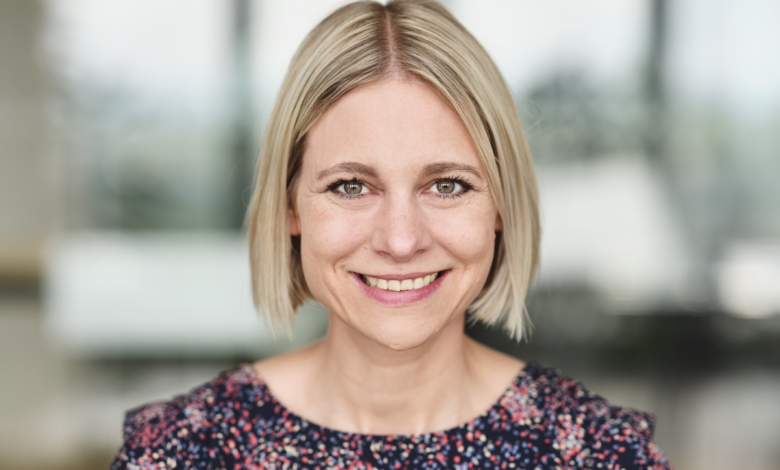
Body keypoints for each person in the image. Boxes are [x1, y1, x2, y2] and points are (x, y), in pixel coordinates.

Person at [111, 1, 672, 468]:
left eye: (447, 186)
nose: (401, 241)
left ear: (500, 205)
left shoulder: (602, 453)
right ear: (290, 208)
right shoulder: (179, 451)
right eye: (351, 186)